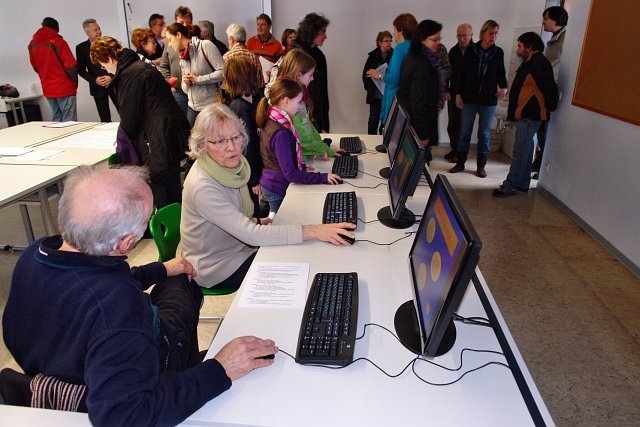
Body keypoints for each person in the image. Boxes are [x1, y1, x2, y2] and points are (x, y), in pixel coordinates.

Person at [2, 165, 277, 425]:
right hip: (149, 364)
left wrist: (160, 269)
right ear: (126, 243)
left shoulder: (37, 253)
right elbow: (126, 417)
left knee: (177, 277)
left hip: (66, 360)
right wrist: (220, 368)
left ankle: (190, 361)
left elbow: (93, 283)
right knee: (186, 288)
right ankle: (186, 365)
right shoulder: (117, 307)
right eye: (147, 219)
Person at [181, 104, 354, 288]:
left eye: (236, 137)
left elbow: (234, 216)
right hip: (216, 266)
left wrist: (255, 222)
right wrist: (315, 230)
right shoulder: (203, 187)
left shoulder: (231, 167)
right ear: (202, 145)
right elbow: (252, 236)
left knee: (296, 249)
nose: (231, 147)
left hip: (237, 247)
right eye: (219, 141)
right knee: (292, 264)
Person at [91, 36, 189, 209]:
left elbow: (130, 116)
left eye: (103, 65)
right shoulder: (139, 65)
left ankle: (165, 223)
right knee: (173, 185)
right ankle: (177, 222)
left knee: (160, 187)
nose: (105, 69)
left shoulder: (130, 74)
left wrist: (122, 135)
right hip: (167, 134)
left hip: (156, 139)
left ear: (110, 58)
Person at [258, 79, 342, 212]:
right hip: (277, 188)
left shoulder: (274, 119)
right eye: (298, 102)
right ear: (286, 101)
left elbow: (280, 158)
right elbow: (290, 174)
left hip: (274, 182)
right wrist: (323, 177)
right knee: (282, 222)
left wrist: (299, 166)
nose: (299, 107)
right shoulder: (281, 133)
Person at [493, 32, 558, 197]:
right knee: (526, 151)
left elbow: (549, 89)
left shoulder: (540, 64)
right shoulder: (529, 63)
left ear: (529, 47)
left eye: (520, 46)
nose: (517, 49)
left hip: (530, 115)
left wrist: (550, 107)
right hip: (524, 114)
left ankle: (510, 185)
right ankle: (522, 183)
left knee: (520, 151)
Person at [450, 19, 508, 178]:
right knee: (464, 132)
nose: (493, 36)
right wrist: (457, 94)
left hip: (488, 100)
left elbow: (501, 73)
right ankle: (460, 163)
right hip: (469, 98)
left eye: (496, 33)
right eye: (490, 33)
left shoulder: (498, 52)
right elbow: (461, 74)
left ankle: (481, 166)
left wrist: (504, 87)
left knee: (484, 134)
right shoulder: (471, 51)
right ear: (483, 34)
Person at [277, 48, 343, 161]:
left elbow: (308, 126)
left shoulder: (298, 96)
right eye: (310, 75)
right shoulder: (291, 102)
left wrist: (323, 147)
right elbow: (303, 136)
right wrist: (323, 149)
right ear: (299, 75)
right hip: (299, 160)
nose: (312, 79)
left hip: (305, 156)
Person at [396, 20, 445, 164]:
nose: (438, 43)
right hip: (418, 126)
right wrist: (423, 134)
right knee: (419, 165)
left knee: (416, 163)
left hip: (415, 122)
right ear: (422, 39)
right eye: (434, 40)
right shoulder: (421, 63)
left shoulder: (418, 56)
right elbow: (419, 102)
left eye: (439, 39)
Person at [224, 56, 263, 217]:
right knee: (252, 211)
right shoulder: (240, 107)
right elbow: (246, 147)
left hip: (254, 169)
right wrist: (253, 179)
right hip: (248, 173)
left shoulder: (251, 102)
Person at [532, 5, 568, 179]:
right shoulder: (554, 39)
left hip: (551, 92)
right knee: (541, 130)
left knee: (545, 132)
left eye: (546, 18)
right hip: (545, 90)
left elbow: (556, 67)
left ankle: (542, 167)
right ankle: (539, 162)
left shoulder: (565, 38)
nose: (543, 22)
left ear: (556, 20)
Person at [366, 13, 418, 132]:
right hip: (410, 101)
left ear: (401, 30)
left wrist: (379, 75)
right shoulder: (416, 47)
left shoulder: (400, 49)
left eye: (395, 29)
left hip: (396, 100)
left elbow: (394, 79)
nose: (394, 33)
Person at [166, 22, 224, 127]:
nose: (169, 44)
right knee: (190, 137)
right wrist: (186, 83)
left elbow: (223, 72)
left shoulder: (205, 45)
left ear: (178, 35)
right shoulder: (183, 57)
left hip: (210, 107)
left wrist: (198, 79)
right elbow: (185, 90)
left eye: (170, 40)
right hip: (192, 108)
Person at [29, 17, 78, 122]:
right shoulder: (59, 42)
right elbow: (72, 67)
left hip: (48, 88)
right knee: (69, 122)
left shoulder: (32, 44)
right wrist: (74, 84)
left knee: (56, 118)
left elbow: (35, 67)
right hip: (64, 87)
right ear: (57, 29)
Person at [293, 13, 331, 132]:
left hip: (315, 114)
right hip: (303, 116)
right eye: (323, 32)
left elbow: (320, 91)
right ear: (313, 32)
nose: (325, 36)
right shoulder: (298, 54)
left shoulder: (317, 54)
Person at [76, 19, 118, 123]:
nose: (99, 31)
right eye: (95, 30)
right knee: (104, 117)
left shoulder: (108, 43)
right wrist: (94, 80)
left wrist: (111, 77)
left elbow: (118, 63)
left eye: (99, 29)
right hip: (97, 87)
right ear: (88, 32)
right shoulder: (81, 48)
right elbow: (81, 70)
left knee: (124, 111)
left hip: (114, 83)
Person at [445, 23, 473, 163]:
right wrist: (446, 89)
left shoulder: (476, 51)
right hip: (453, 93)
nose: (462, 39)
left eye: (464, 35)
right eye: (459, 36)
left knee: (463, 128)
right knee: (452, 126)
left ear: (471, 35)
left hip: (469, 96)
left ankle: (460, 154)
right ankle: (454, 149)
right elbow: (447, 72)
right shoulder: (453, 51)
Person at [159, 6, 193, 117]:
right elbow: (164, 66)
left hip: (196, 92)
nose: (184, 25)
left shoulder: (197, 42)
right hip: (178, 92)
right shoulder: (169, 44)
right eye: (181, 22)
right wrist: (169, 83)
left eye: (187, 23)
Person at [362, 31, 393, 135]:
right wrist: (369, 88)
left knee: (386, 122)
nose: (389, 43)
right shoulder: (372, 56)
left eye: (390, 40)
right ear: (379, 42)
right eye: (386, 41)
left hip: (388, 95)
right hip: (375, 95)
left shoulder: (394, 55)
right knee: (373, 120)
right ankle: (371, 140)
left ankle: (383, 140)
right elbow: (365, 75)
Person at [224, 23, 265, 91]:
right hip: (251, 95)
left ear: (231, 39)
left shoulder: (227, 57)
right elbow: (260, 83)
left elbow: (224, 83)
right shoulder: (253, 56)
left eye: (228, 39)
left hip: (233, 95)